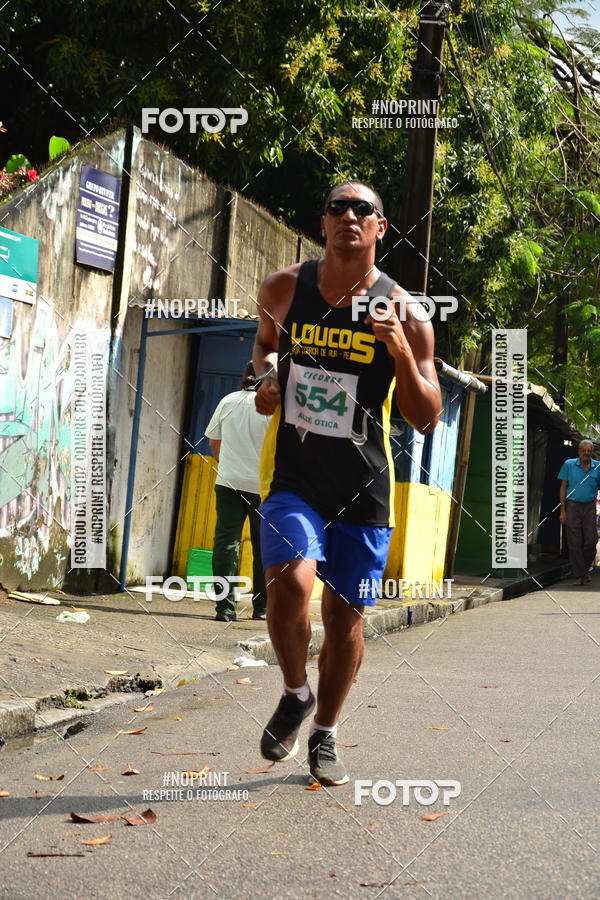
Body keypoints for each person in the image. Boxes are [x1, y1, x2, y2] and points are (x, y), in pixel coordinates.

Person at [252, 181, 442, 785]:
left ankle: (326, 730)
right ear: (325, 221)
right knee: (288, 583)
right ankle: (293, 691)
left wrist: (403, 356)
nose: (349, 217)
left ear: (380, 229)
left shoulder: (408, 313)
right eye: (337, 207)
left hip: (365, 487)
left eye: (364, 210)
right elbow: (261, 349)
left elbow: (427, 413)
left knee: (345, 618)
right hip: (294, 475)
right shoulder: (285, 289)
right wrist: (264, 380)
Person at [205, 361, 270, 621]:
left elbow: (213, 441)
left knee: (226, 544)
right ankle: (262, 607)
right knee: (263, 548)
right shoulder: (273, 409)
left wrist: (229, 465)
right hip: (263, 489)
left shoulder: (228, 401)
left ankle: (225, 609)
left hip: (228, 483)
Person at [558, 438, 600, 585]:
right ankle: (581, 575)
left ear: (592, 452)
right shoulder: (569, 464)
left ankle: (583, 571)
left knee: (592, 539)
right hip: (572, 506)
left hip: (589, 506)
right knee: (574, 542)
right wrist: (563, 510)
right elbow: (563, 487)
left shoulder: (598, 467)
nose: (586, 453)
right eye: (584, 450)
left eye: (589, 451)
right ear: (579, 452)